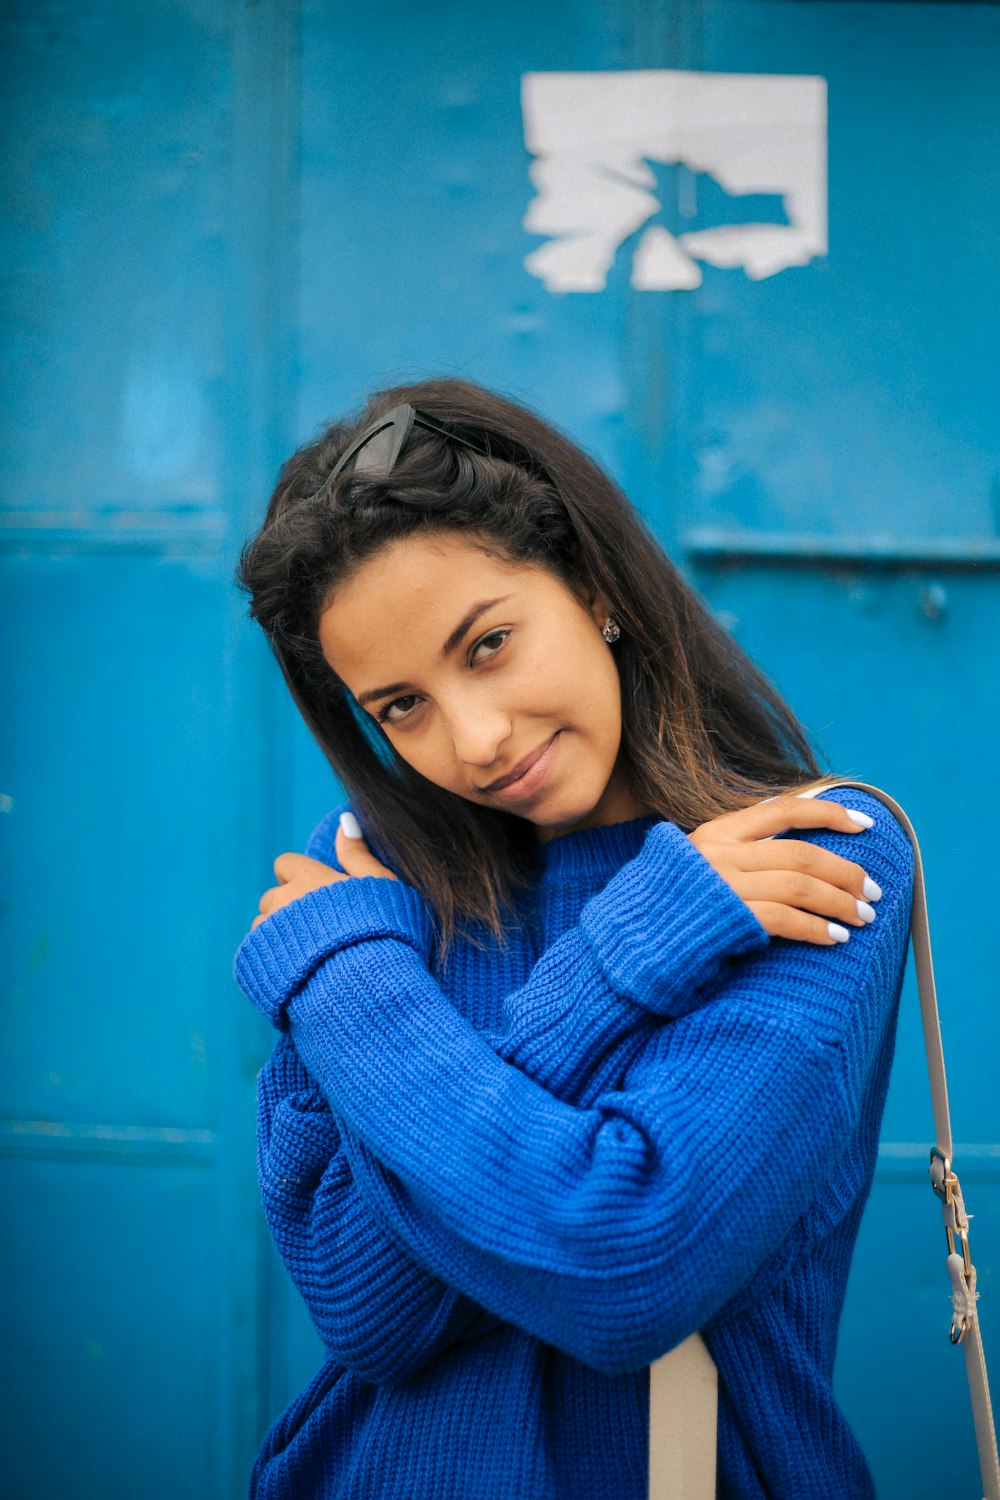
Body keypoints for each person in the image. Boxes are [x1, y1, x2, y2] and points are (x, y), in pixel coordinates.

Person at [234, 378, 914, 1500]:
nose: (476, 738)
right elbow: (367, 1311)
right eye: (400, 705)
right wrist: (623, 961)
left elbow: (623, 1267)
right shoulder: (371, 896)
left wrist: (357, 985)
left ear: (593, 586)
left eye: (489, 643)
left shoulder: (817, 851)